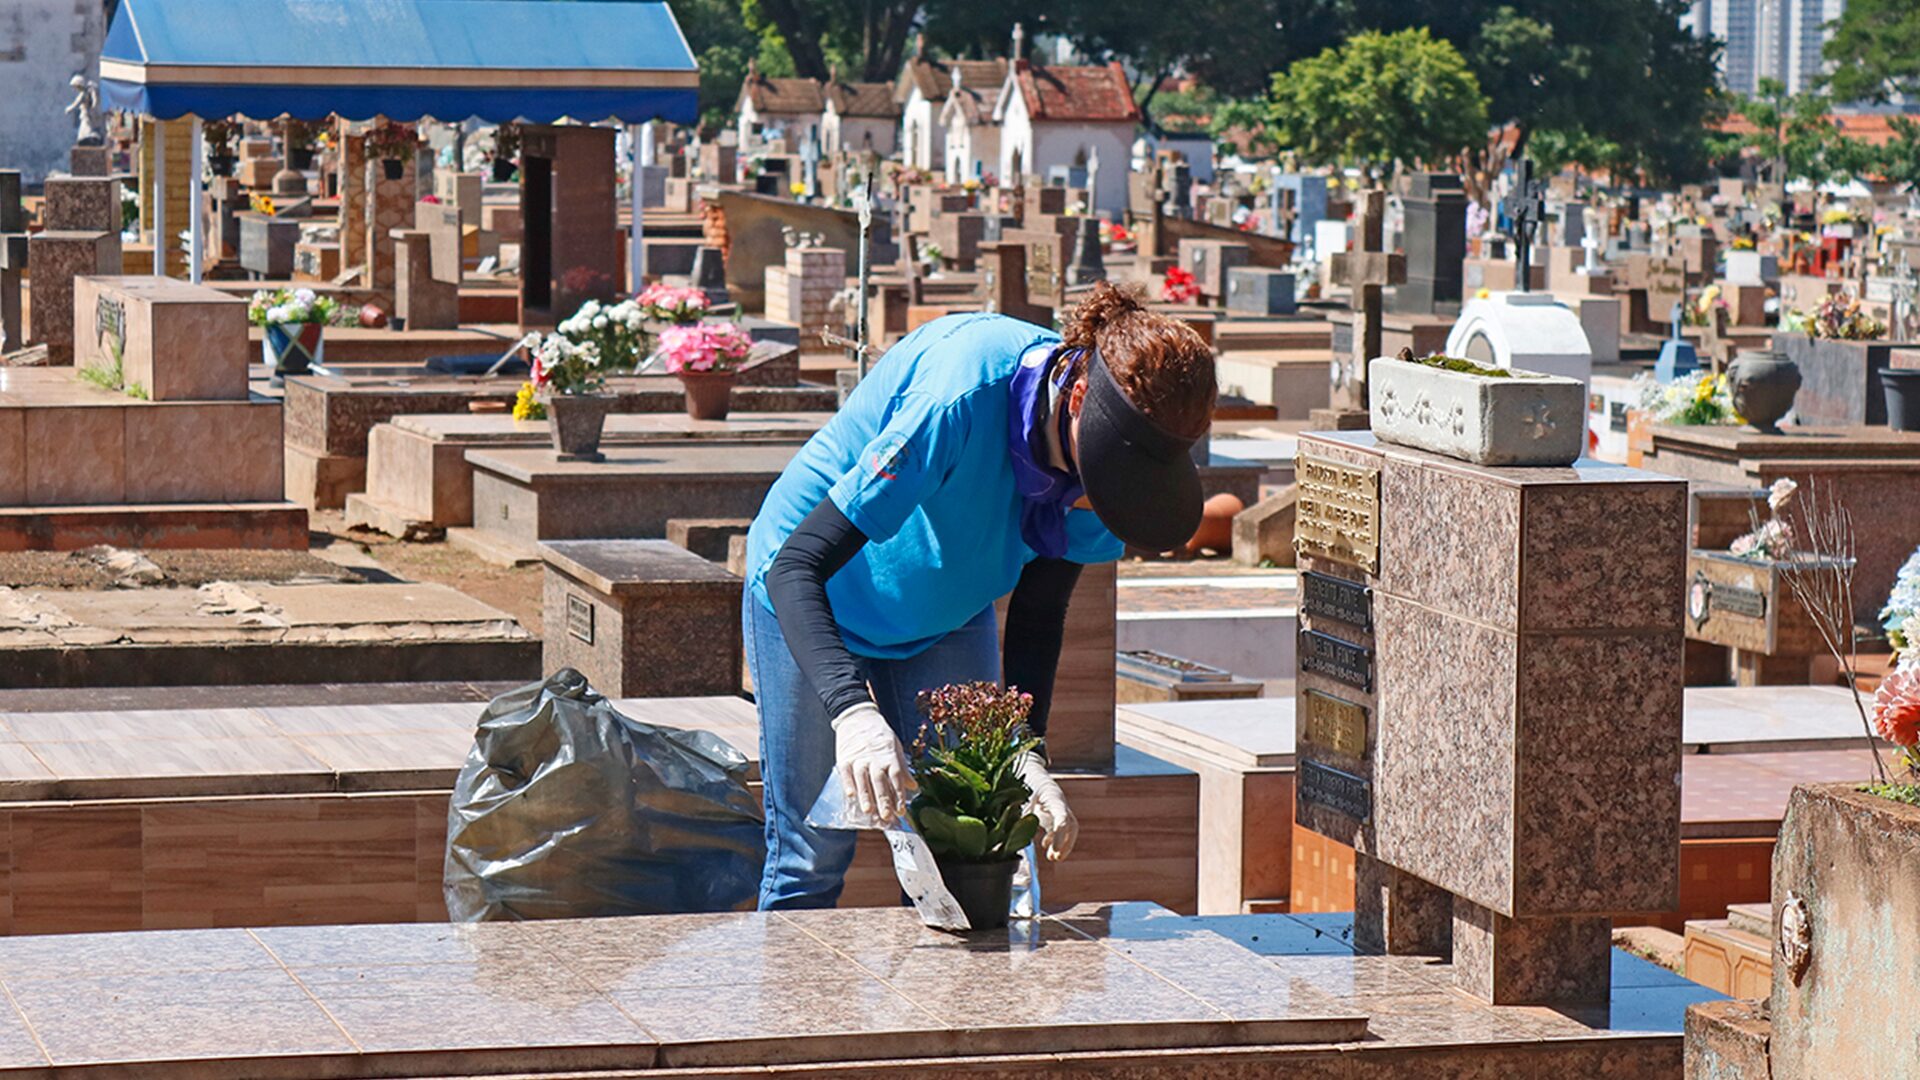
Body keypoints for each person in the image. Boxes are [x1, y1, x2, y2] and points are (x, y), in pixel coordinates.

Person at [742, 282, 1217, 908]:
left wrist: (1027, 752)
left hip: (942, 613)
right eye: (1105, 471)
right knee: (814, 851)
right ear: (1078, 397)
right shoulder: (960, 394)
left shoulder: (1115, 481)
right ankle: (787, 1004)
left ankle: (957, 1007)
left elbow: (1039, 614)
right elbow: (798, 565)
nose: (1099, 494)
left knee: (980, 837)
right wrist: (853, 713)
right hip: (818, 594)